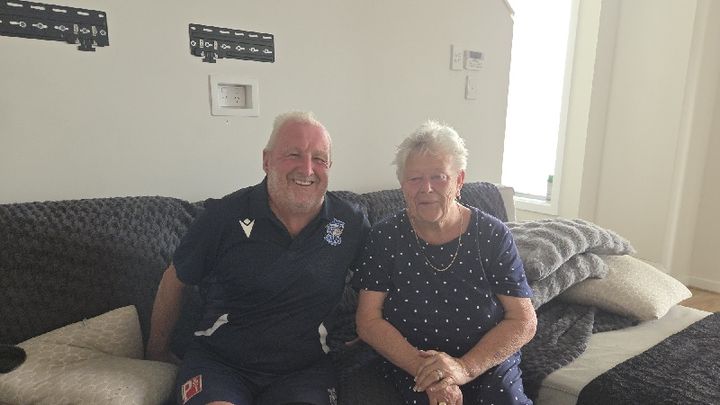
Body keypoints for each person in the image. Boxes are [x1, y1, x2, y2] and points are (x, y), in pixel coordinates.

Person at [146, 111, 370, 405]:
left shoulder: (349, 222)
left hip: (305, 371)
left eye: (319, 158)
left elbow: (377, 282)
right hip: (220, 364)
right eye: (294, 154)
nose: (307, 169)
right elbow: (174, 279)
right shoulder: (223, 216)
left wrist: (368, 333)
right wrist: (157, 352)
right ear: (267, 161)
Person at [354, 121, 537, 405]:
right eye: (415, 179)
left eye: (439, 177)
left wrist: (464, 368)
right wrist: (429, 372)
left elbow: (523, 320)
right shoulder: (385, 237)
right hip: (408, 361)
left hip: (483, 359)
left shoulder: (491, 234)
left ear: (459, 180)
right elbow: (368, 320)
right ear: (403, 185)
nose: (426, 188)